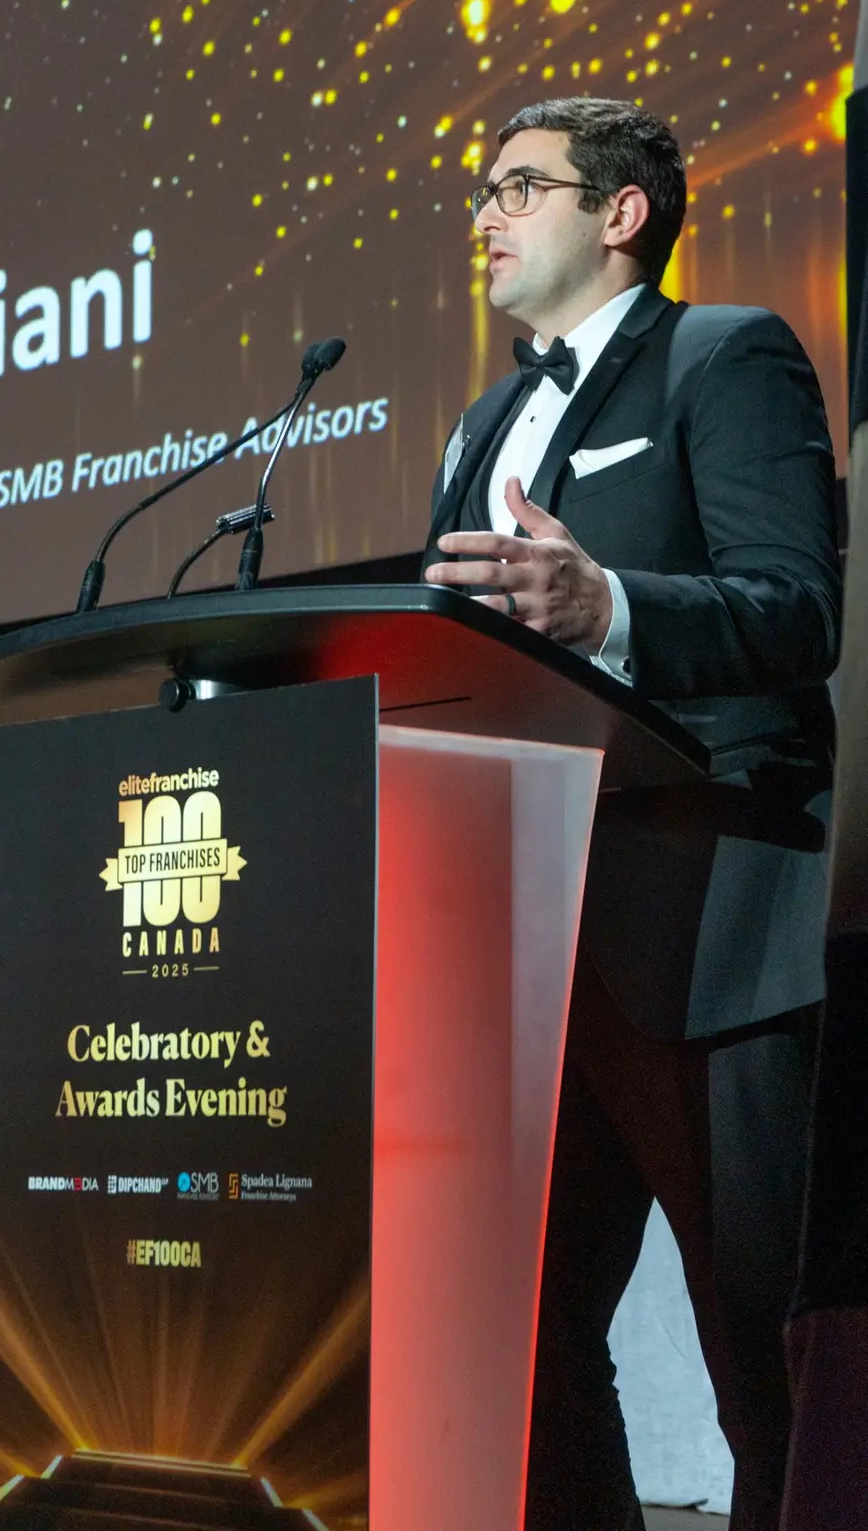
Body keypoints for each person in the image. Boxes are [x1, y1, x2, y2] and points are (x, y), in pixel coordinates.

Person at [421, 97, 841, 1531]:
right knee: (519, 1345)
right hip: (522, 939)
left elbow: (797, 608)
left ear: (619, 214)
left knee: (759, 1359)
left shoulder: (723, 357)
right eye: (482, 190)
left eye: (517, 187)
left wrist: (608, 605)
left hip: (703, 924)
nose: (485, 215)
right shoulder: (483, 423)